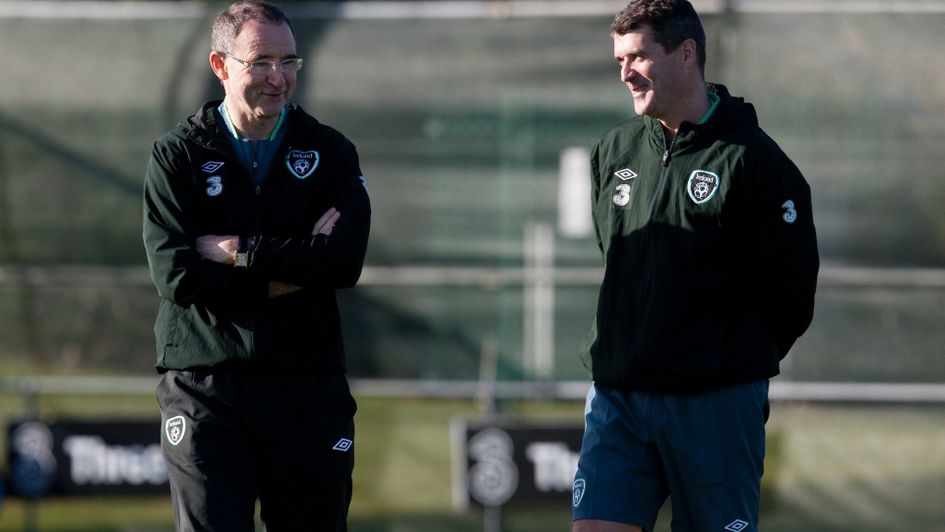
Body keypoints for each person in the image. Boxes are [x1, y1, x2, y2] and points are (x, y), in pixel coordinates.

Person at [571, 1, 818, 531]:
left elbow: (792, 295)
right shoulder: (614, 151)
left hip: (714, 403)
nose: (625, 74)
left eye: (638, 57)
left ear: (686, 54)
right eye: (619, 60)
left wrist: (724, 360)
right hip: (619, 395)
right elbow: (617, 256)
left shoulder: (754, 161)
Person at [142, 1, 370, 530]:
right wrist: (295, 269)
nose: (278, 77)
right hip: (206, 385)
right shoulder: (177, 155)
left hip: (306, 382)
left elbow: (341, 262)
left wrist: (239, 251)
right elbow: (178, 276)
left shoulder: (331, 152)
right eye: (261, 62)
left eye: (289, 61)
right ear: (220, 66)